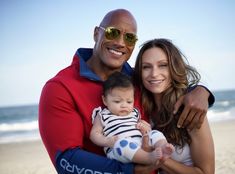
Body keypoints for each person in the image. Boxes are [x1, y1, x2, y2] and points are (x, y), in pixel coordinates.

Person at [38, 9, 215, 174]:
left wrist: (201, 91)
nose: (120, 43)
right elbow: (66, 160)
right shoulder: (60, 88)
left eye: (130, 38)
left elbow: (166, 86)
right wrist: (131, 170)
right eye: (112, 32)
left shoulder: (136, 80)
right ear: (96, 33)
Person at [133, 38, 215, 174]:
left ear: (174, 68)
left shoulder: (190, 109)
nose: (154, 74)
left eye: (163, 65)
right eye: (146, 67)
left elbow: (206, 172)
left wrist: (158, 156)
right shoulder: (140, 109)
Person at [90, 72, 174, 165]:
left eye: (129, 101)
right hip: (118, 149)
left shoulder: (134, 112)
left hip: (140, 144)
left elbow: (144, 127)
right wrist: (107, 141)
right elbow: (94, 134)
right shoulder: (103, 115)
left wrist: (145, 128)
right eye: (117, 101)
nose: (124, 105)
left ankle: (162, 147)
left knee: (155, 133)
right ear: (105, 100)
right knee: (122, 144)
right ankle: (148, 158)